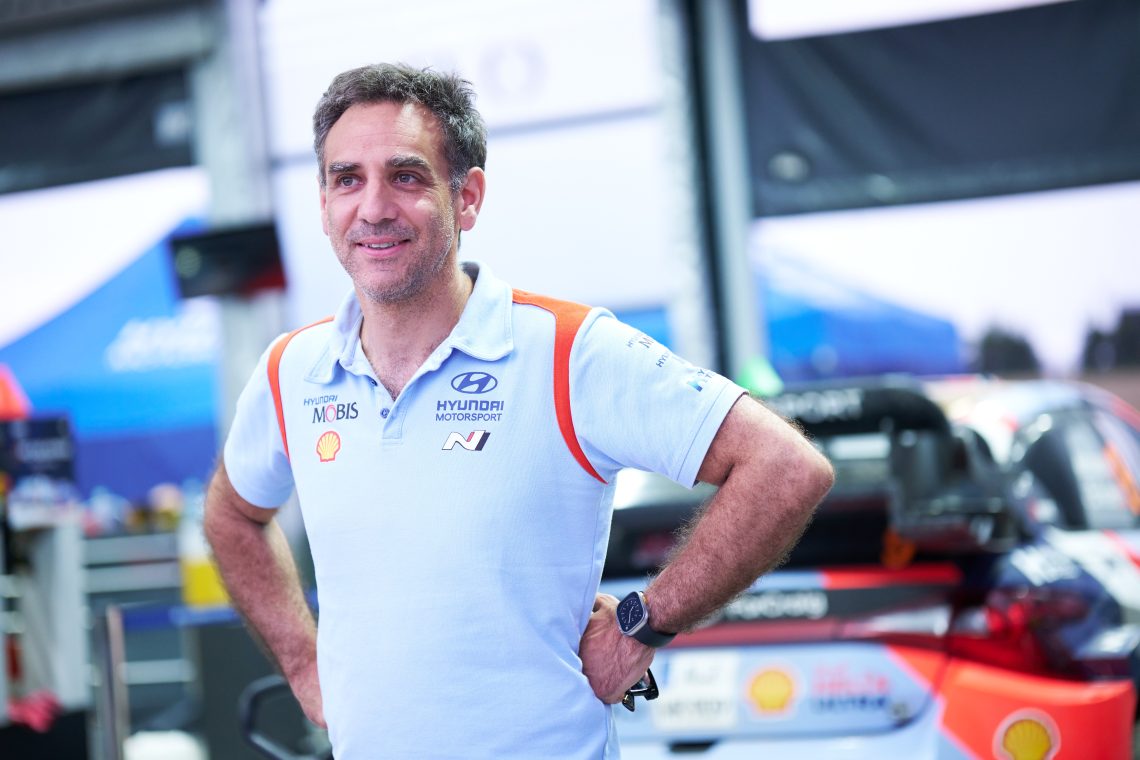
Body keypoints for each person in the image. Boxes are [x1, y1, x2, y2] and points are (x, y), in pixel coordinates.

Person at [204, 62, 834, 759]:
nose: (374, 206)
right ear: (324, 202)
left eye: (407, 177)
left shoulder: (568, 351)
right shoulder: (292, 370)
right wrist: (303, 662)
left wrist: (643, 623)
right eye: (347, 179)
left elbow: (784, 467)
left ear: (467, 197)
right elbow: (233, 514)